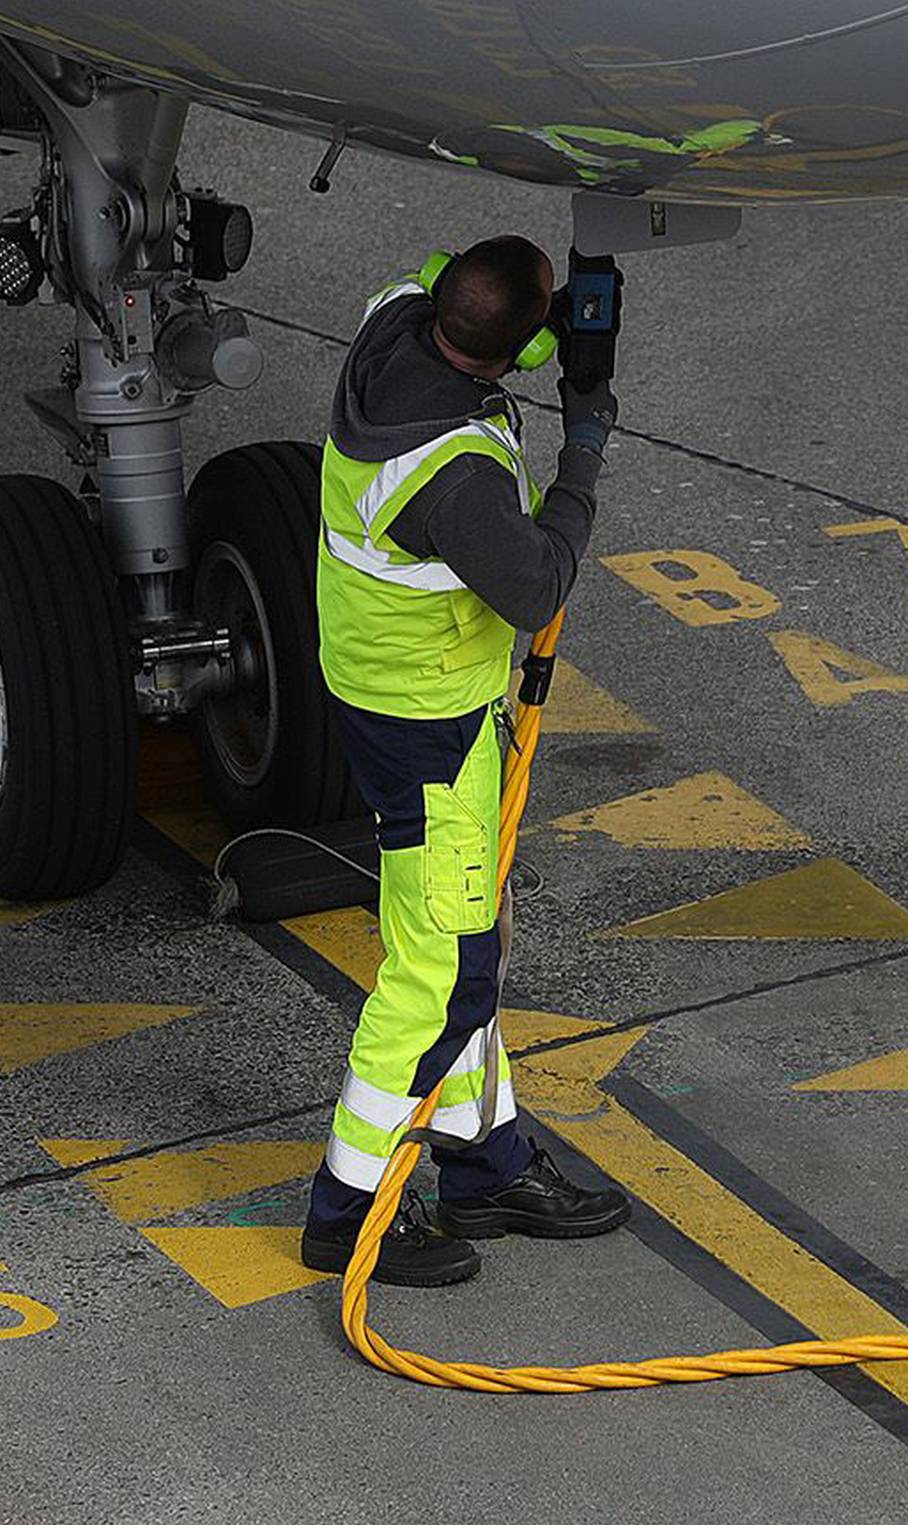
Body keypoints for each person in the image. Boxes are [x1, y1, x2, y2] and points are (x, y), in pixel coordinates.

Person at [298, 235, 631, 1287]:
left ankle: (485, 1168)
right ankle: (344, 1214)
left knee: (465, 931)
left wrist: (557, 320)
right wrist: (582, 446)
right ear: (524, 347)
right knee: (441, 976)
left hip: (393, 688)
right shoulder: (456, 473)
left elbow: (456, 280)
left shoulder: (390, 319)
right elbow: (535, 586)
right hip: (428, 725)